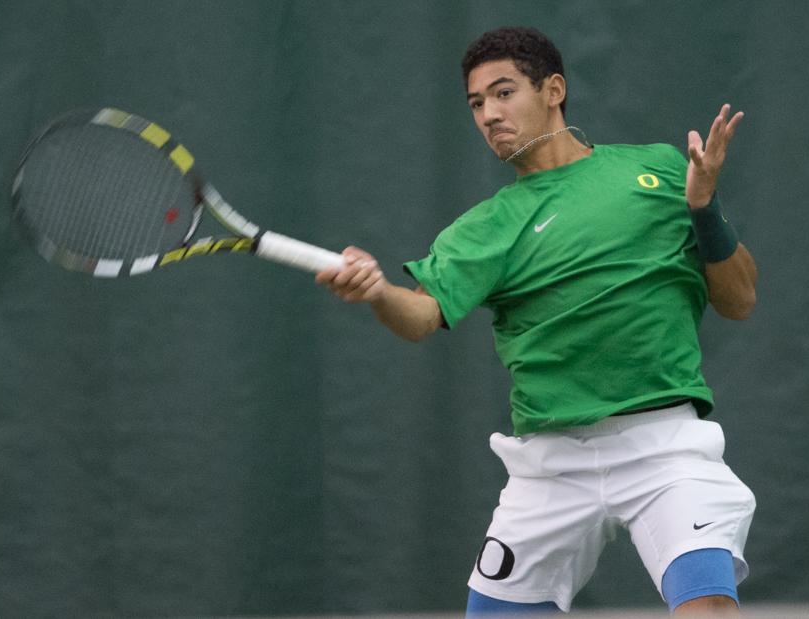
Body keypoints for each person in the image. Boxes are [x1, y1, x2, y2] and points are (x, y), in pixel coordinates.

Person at [317, 26, 757, 616]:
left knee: (706, 603)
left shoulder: (655, 171)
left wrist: (704, 207)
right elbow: (420, 316)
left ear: (553, 89)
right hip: (551, 464)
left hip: (666, 446)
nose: (488, 115)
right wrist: (377, 293)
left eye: (503, 94)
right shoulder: (484, 228)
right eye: (476, 104)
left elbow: (740, 299)